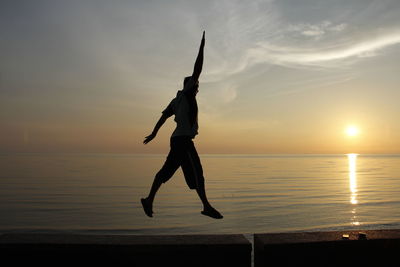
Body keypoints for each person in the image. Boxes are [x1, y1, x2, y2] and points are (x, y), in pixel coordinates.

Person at [141, 31, 223, 219]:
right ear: (189, 85)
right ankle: (207, 206)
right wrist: (202, 47)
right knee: (197, 173)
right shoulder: (185, 95)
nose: (197, 88)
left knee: (168, 171)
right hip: (183, 141)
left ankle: (149, 200)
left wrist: (154, 134)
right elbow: (197, 68)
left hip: (177, 140)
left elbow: (163, 117)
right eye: (196, 86)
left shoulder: (175, 100)